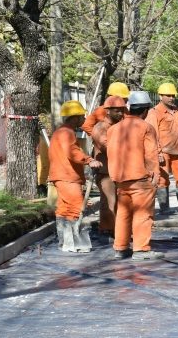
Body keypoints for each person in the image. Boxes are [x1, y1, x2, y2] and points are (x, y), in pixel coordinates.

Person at [106, 91, 164, 261]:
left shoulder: (113, 129)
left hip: (120, 179)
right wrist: (156, 175)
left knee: (123, 213)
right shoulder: (146, 127)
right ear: (146, 110)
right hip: (140, 179)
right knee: (142, 213)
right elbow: (151, 155)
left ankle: (121, 248)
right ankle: (141, 250)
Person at [48, 100, 103, 252]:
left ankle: (65, 243)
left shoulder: (61, 131)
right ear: (75, 117)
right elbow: (72, 152)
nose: (84, 119)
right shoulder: (67, 133)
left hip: (62, 176)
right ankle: (75, 244)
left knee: (64, 209)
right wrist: (89, 160)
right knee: (77, 209)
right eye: (82, 116)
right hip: (67, 177)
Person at [145, 82, 178, 214]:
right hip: (163, 152)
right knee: (163, 180)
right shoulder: (154, 113)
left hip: (177, 151)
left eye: (173, 95)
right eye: (168, 95)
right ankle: (165, 208)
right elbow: (152, 134)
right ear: (160, 96)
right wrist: (157, 152)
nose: (171, 98)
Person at [90, 96, 127, 238]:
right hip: (105, 172)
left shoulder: (118, 126)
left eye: (122, 110)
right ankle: (107, 229)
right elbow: (108, 147)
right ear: (108, 111)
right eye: (117, 111)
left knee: (119, 202)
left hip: (118, 170)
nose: (121, 114)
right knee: (110, 202)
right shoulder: (100, 128)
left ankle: (117, 230)